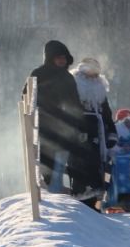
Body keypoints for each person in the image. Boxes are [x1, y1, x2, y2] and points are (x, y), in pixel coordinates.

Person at [27, 39, 95, 201]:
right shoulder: (38, 74)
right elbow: (28, 97)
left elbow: (75, 103)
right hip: (45, 126)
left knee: (62, 161)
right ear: (50, 58)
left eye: (64, 58)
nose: (62, 60)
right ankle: (49, 192)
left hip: (66, 128)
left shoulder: (67, 78)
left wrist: (81, 126)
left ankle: (58, 193)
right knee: (45, 161)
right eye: (59, 57)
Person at [71, 57, 117, 188]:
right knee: (81, 164)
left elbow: (106, 112)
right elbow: (70, 109)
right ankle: (81, 199)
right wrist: (78, 129)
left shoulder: (99, 86)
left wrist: (112, 131)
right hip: (80, 130)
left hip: (98, 131)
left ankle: (95, 203)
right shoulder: (75, 84)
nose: (93, 75)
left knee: (97, 165)